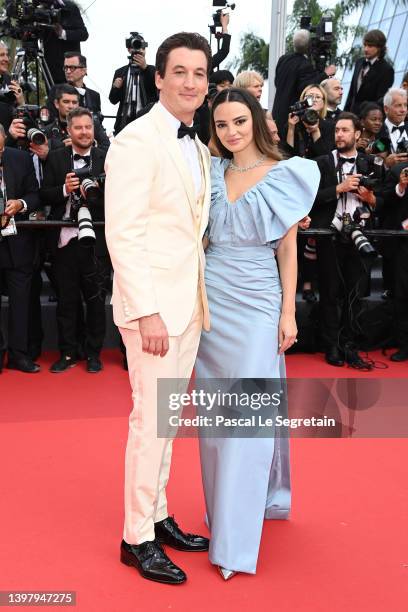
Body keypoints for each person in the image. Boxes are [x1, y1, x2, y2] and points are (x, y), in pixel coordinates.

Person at [195, 87, 320, 578]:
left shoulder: (286, 174)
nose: (231, 132)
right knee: (216, 421)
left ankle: (234, 543)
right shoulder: (208, 173)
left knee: (245, 421)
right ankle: (230, 510)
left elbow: (287, 250)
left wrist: (288, 312)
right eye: (222, 125)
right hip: (211, 303)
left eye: (239, 122)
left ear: (257, 121)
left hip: (257, 303)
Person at [104, 32, 213, 585]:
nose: (191, 82)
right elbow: (123, 234)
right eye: (180, 72)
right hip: (153, 312)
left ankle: (158, 513)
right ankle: (135, 536)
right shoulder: (134, 141)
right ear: (159, 77)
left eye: (200, 73)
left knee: (168, 420)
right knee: (150, 421)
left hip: (188, 305)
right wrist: (146, 310)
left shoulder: (196, 145)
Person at [40, 108, 109, 374]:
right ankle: (68, 353)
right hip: (65, 241)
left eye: (88, 127)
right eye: (78, 128)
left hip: (97, 242)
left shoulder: (107, 158)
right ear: (68, 130)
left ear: (93, 129)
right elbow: (43, 194)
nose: (84, 132)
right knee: (67, 301)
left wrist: (97, 191)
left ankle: (93, 353)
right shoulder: (56, 159)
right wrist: (64, 190)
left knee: (95, 301)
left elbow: (119, 197)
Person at [310, 113, 380, 368]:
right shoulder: (322, 163)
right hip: (331, 234)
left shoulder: (370, 162)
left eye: (345, 130)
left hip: (360, 236)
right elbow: (310, 198)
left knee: (355, 294)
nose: (339, 134)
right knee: (329, 293)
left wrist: (370, 198)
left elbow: (383, 199)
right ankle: (331, 345)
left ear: (357, 134)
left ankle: (349, 344)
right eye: (337, 130)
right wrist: (338, 189)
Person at [0, 123, 41, 373]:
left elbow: (35, 195)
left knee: (21, 302)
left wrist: (21, 203)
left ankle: (19, 354)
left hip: (17, 242)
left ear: (4, 137)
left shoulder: (21, 158)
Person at [272, 29, 336, 137]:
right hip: (291, 117)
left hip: (277, 113)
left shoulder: (283, 59)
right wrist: (325, 74)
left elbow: (277, 82)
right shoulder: (305, 65)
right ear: (309, 46)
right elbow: (307, 88)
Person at [109, 34, 157, 135]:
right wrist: (115, 88)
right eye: (135, 46)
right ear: (129, 49)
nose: (139, 50)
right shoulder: (120, 72)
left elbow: (157, 94)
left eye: (142, 47)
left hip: (147, 120)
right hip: (124, 121)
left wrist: (145, 68)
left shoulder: (153, 70)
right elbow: (113, 100)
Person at [344, 29, 394, 116]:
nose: (366, 49)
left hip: (368, 119)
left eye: (370, 46)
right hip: (351, 116)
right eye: (365, 45)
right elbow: (352, 93)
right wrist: (344, 114)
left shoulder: (387, 70)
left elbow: (380, 101)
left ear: (379, 48)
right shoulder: (359, 62)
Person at [41, 0, 89, 84]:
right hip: (50, 70)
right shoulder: (40, 9)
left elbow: (83, 34)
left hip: (70, 69)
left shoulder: (69, 7)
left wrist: (63, 33)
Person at [47, 53, 102, 122]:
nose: (68, 71)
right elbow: (50, 119)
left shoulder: (94, 96)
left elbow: (97, 123)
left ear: (84, 71)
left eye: (72, 68)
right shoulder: (56, 90)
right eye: (66, 68)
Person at [0, 42, 25, 131]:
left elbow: (20, 114)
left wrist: (21, 102)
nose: (6, 59)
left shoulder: (10, 80)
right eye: (2, 55)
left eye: (7, 55)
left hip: (11, 137)